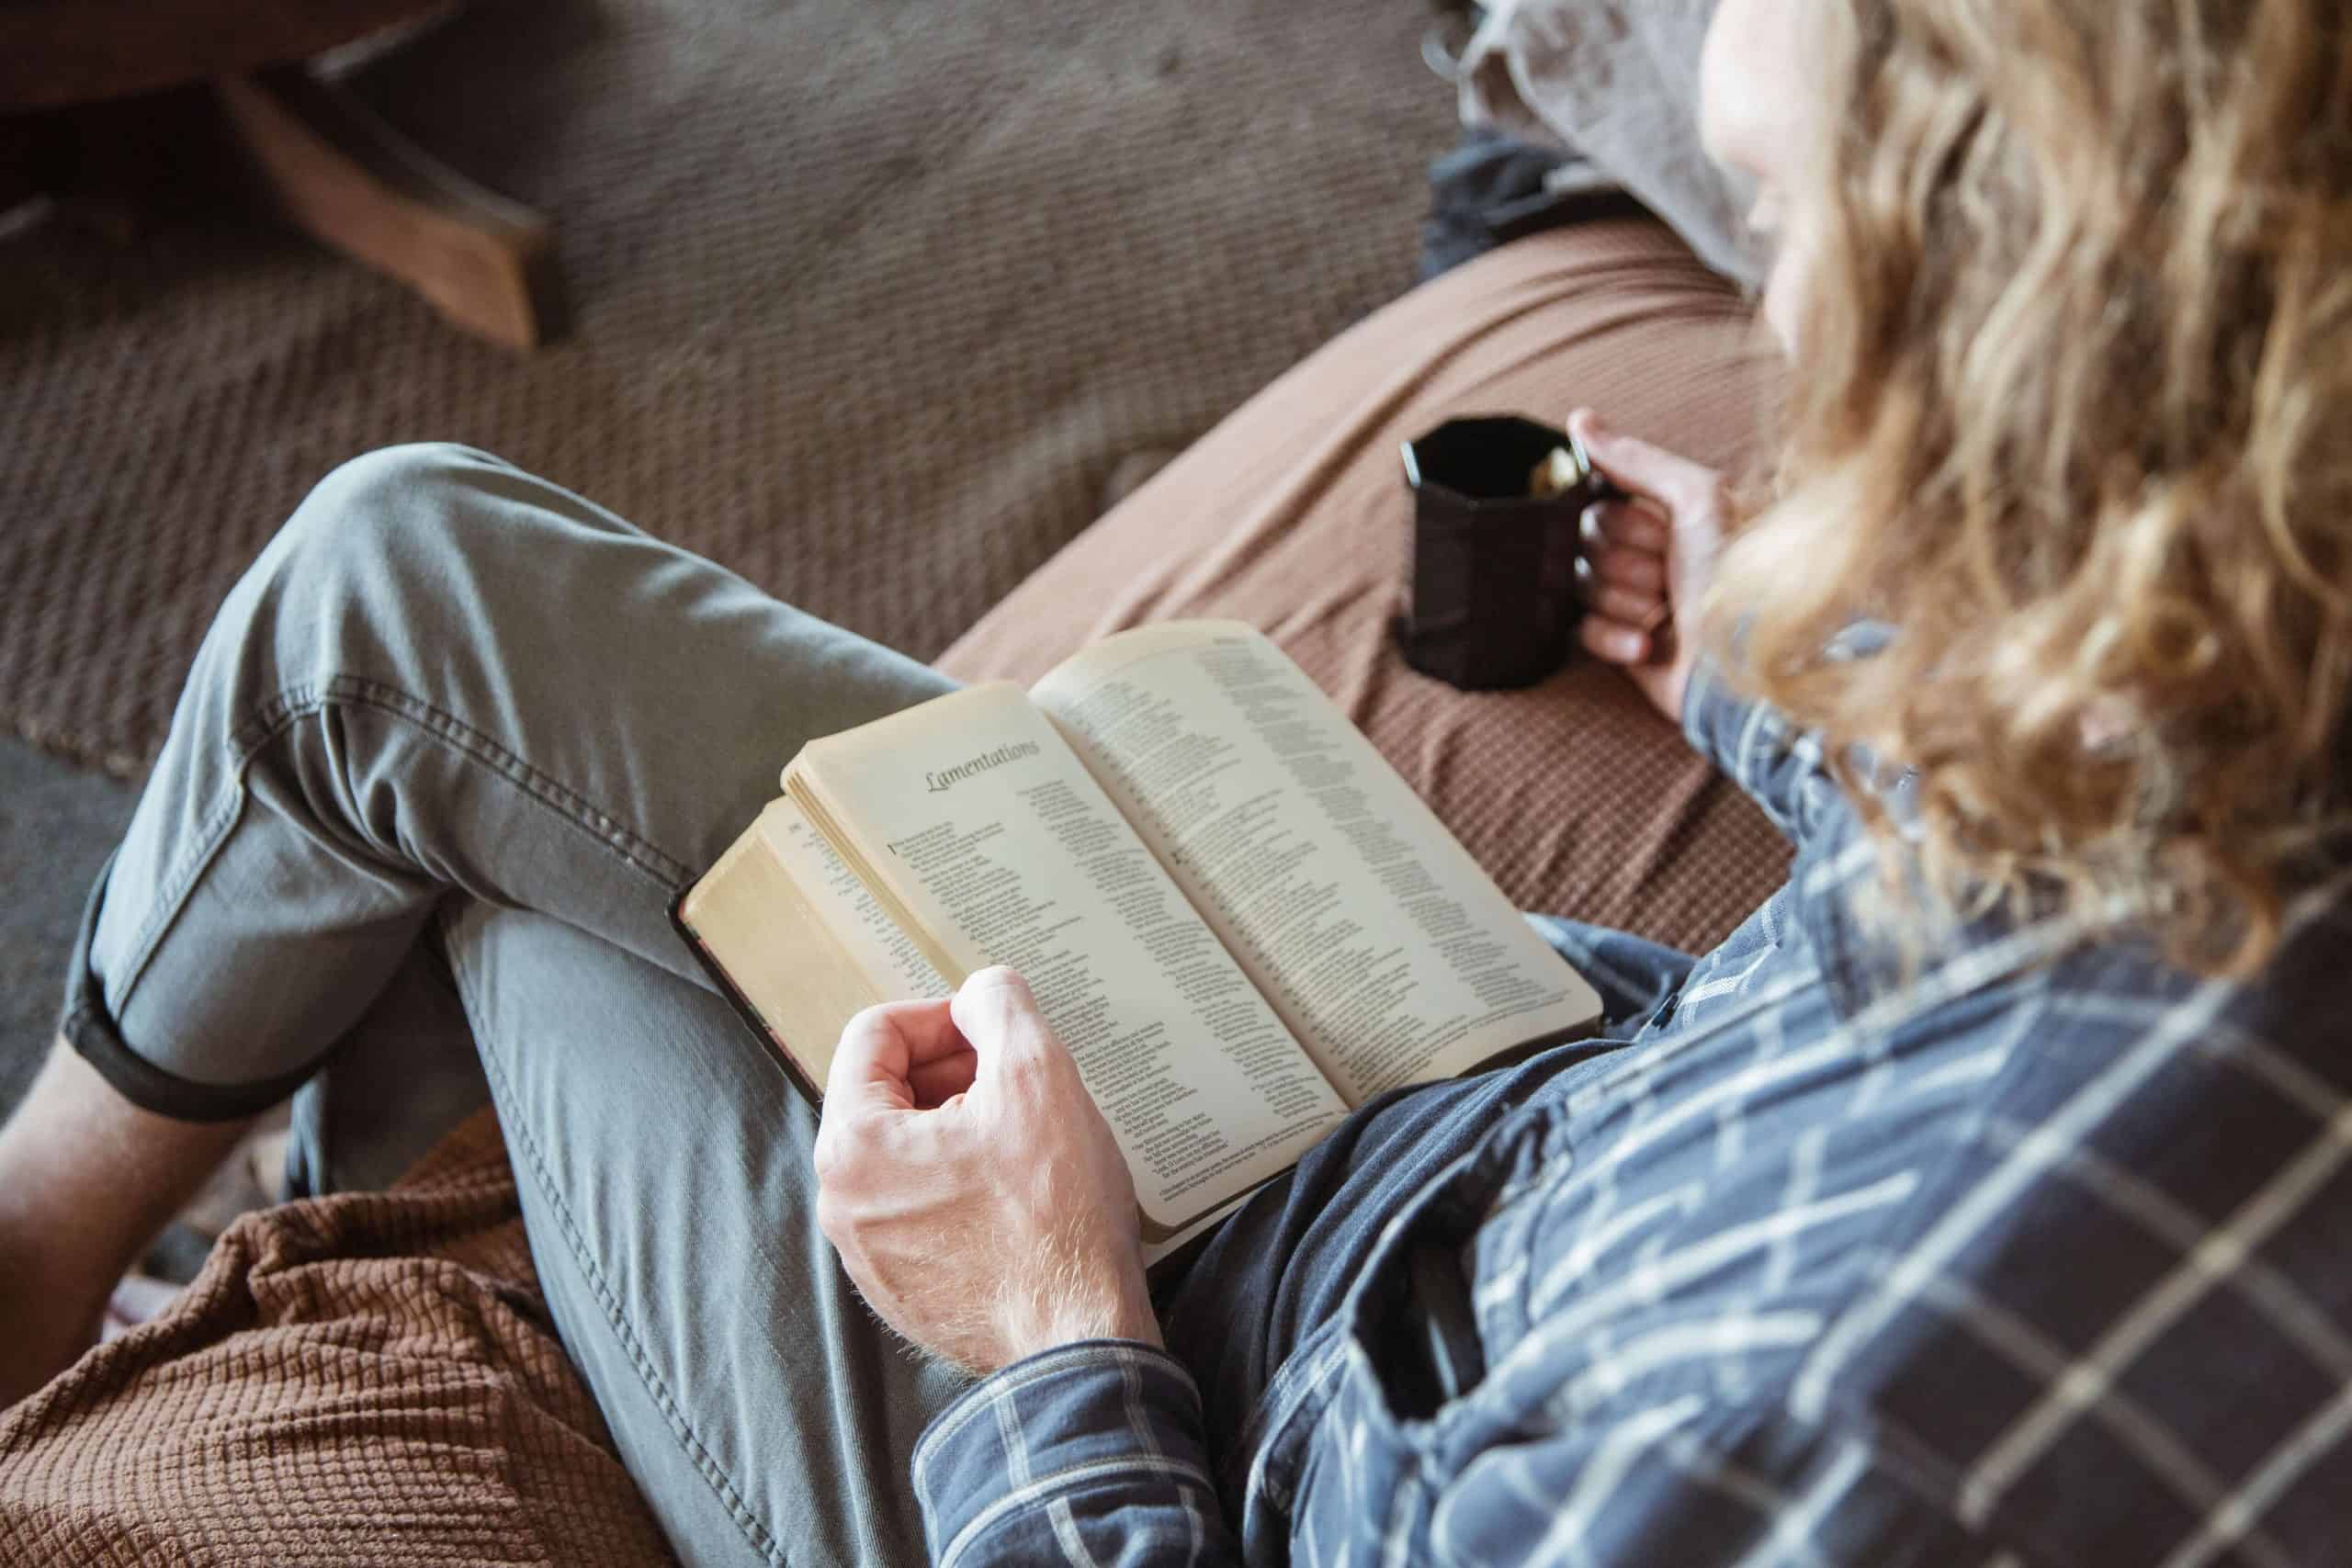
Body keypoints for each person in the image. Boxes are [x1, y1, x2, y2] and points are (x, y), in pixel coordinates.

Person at [6, 0, 2348, 1561]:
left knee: (482, 841)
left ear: (2039, 360)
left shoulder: (1832, 1432)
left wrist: (1048, 1315)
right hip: (1450, 1106)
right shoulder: (2275, 734)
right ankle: (125, 1248)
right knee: (400, 578)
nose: (1781, 328)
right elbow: (2055, 885)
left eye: (1808, 247)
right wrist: (1793, 647)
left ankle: (204, 1304)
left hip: (1168, 1429)